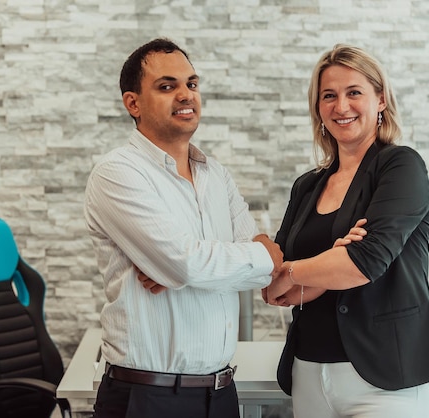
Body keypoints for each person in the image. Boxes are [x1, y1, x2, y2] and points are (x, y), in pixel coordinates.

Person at [83, 38, 283, 418]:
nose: (185, 95)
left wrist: (182, 269)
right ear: (133, 103)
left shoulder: (215, 174)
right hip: (149, 398)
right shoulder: (118, 173)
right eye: (166, 86)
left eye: (191, 84)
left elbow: (249, 265)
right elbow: (188, 262)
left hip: (221, 394)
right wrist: (192, 266)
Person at [264, 44, 429, 418]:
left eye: (354, 93)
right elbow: (273, 288)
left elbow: (365, 262)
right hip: (309, 372)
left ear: (380, 99)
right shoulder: (307, 185)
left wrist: (300, 270)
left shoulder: (400, 167)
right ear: (318, 107)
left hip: (385, 381)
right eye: (328, 96)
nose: (341, 106)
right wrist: (330, 260)